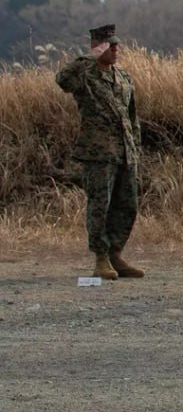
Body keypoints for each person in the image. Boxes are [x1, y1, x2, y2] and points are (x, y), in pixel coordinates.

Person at [54, 24, 144, 280]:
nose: (116, 49)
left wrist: (135, 147)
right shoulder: (84, 75)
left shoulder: (123, 77)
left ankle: (115, 253)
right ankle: (101, 258)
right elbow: (62, 80)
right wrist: (89, 58)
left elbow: (132, 116)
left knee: (128, 205)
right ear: (97, 46)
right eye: (110, 45)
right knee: (99, 206)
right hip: (98, 152)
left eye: (117, 44)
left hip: (125, 151)